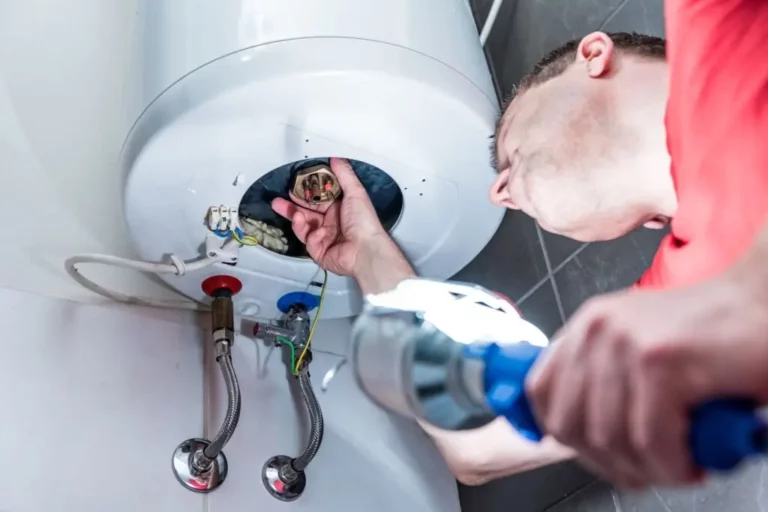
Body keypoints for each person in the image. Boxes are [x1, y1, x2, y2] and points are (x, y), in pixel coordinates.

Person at [272, 0, 768, 489]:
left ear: (594, 57)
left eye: (509, 146)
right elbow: (477, 452)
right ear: (655, 220)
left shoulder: (712, 19)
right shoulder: (685, 296)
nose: (498, 193)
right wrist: (366, 250)